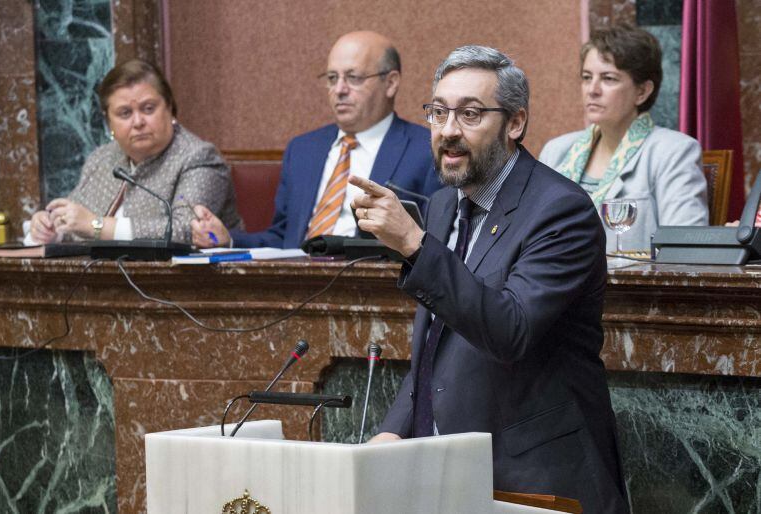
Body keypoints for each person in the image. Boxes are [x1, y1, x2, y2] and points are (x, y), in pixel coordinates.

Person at [352, 46, 629, 513]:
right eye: (438, 113)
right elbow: (435, 346)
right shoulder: (443, 206)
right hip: (446, 472)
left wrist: (415, 246)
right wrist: (394, 429)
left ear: (515, 123)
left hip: (535, 480)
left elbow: (511, 330)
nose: (449, 131)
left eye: (470, 114)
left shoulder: (561, 211)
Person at [191, 31, 441, 249]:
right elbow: (283, 238)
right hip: (297, 286)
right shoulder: (302, 150)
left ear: (391, 83)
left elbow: (433, 243)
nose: (339, 90)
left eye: (353, 78)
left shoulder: (425, 150)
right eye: (332, 78)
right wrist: (229, 240)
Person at [26, 59, 241, 245]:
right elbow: (76, 221)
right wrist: (51, 229)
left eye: (148, 109)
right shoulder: (102, 159)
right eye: (125, 113)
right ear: (108, 121)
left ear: (170, 108)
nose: (138, 122)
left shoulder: (199, 158)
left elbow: (187, 230)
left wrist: (96, 226)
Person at [540, 24, 708, 253]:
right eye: (587, 77)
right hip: (553, 283)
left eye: (608, 79)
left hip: (628, 287)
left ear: (643, 91)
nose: (592, 89)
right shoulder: (557, 150)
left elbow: (685, 248)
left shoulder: (673, 151)